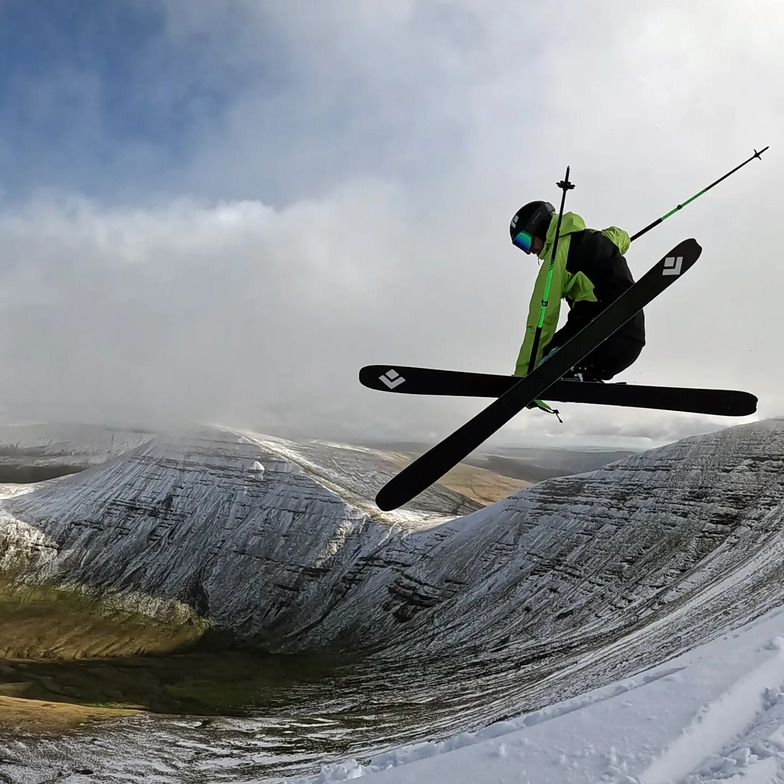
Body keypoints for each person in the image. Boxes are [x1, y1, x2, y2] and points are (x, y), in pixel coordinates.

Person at [509, 200, 645, 382]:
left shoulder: (555, 259)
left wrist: (524, 375)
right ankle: (580, 374)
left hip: (600, 336)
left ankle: (562, 371)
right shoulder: (599, 237)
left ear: (540, 227)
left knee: (546, 357)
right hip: (630, 339)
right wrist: (624, 241)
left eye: (525, 241)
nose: (529, 251)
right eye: (521, 246)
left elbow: (541, 318)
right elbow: (619, 236)